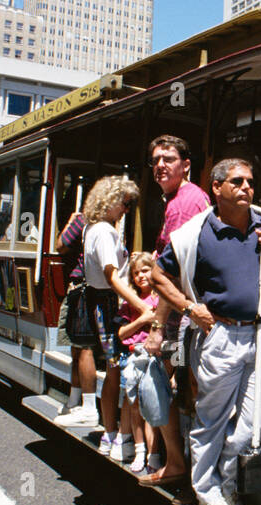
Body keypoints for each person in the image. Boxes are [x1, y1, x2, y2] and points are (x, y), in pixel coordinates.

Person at [147, 158, 261, 505]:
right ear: (217, 188)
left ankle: (226, 482)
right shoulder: (195, 233)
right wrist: (191, 308)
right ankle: (206, 492)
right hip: (221, 337)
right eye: (237, 182)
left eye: (250, 182)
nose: (246, 188)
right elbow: (158, 276)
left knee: (257, 421)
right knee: (212, 420)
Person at [140, 135, 210, 486]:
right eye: (155, 160)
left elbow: (172, 273)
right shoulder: (179, 200)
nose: (160, 165)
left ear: (186, 165)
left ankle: (178, 463)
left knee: (168, 383)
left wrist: (157, 326)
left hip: (180, 314)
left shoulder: (184, 203)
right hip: (184, 310)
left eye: (168, 158)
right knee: (181, 384)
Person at [82, 176, 150, 457]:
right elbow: (113, 276)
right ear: (109, 201)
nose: (125, 209)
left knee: (112, 371)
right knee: (116, 372)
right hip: (111, 307)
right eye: (124, 203)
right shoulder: (105, 232)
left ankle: (111, 434)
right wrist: (142, 306)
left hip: (100, 305)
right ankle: (114, 436)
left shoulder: (92, 229)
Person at [53, 200, 101, 434]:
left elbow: (61, 245)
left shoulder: (83, 219)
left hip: (81, 288)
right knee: (78, 347)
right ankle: (74, 401)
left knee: (82, 348)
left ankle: (87, 406)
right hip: (92, 288)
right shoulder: (108, 223)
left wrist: (71, 220)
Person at [117, 253, 161, 473]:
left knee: (151, 406)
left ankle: (153, 453)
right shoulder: (130, 302)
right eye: (136, 273)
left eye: (145, 270)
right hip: (134, 357)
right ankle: (139, 449)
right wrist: (142, 319)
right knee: (135, 406)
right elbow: (122, 334)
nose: (140, 276)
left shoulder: (160, 299)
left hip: (154, 358)